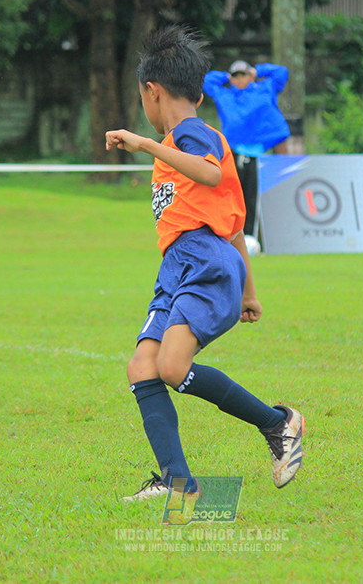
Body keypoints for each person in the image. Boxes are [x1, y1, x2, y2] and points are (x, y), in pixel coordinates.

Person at [105, 26, 304, 501]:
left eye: (142, 98)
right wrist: (250, 291)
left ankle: (279, 423)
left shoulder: (191, 134)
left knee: (172, 366)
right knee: (143, 367)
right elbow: (232, 224)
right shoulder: (184, 139)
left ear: (152, 92)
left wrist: (149, 145)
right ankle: (177, 483)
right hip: (183, 265)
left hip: (203, 263)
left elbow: (211, 173)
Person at [203, 59, 291, 238]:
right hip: (233, 154)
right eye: (236, 76)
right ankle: (232, 235)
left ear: (250, 76)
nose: (240, 79)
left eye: (243, 74)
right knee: (232, 197)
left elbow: (282, 72)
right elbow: (206, 81)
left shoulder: (264, 89)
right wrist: (225, 76)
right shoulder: (225, 95)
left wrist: (258, 71)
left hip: (258, 155)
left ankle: (253, 237)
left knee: (256, 198)